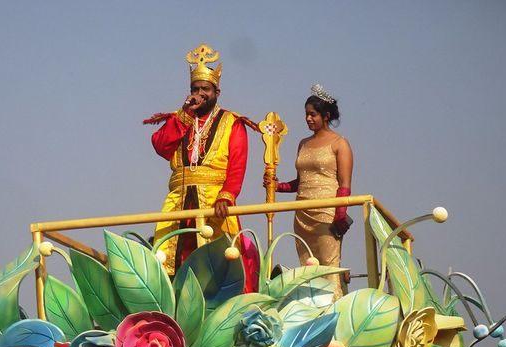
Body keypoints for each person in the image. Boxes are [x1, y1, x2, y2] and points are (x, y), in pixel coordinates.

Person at [145, 43, 257, 290]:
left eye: (205, 88)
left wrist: (227, 196)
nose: (200, 93)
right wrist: (184, 114)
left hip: (214, 199)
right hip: (179, 199)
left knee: (221, 254)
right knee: (170, 255)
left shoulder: (231, 122)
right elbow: (161, 146)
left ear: (217, 91)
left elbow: (237, 163)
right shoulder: (180, 117)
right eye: (195, 89)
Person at [275, 84, 353, 300]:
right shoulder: (303, 144)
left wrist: (340, 214)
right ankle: (314, 312)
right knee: (309, 267)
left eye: (313, 114)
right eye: (306, 115)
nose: (308, 119)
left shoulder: (340, 144)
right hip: (302, 213)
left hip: (327, 213)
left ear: (325, 116)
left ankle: (336, 312)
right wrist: (277, 186)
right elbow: (302, 181)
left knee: (329, 266)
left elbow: (345, 184)